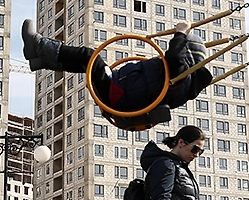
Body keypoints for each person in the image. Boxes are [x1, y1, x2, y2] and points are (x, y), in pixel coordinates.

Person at [21, 19, 212, 123]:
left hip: (119, 92)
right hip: (121, 97)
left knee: (90, 56)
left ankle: (38, 46)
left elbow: (175, 58)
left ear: (187, 52)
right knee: (88, 65)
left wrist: (181, 33)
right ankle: (40, 61)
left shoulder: (180, 75)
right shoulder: (183, 84)